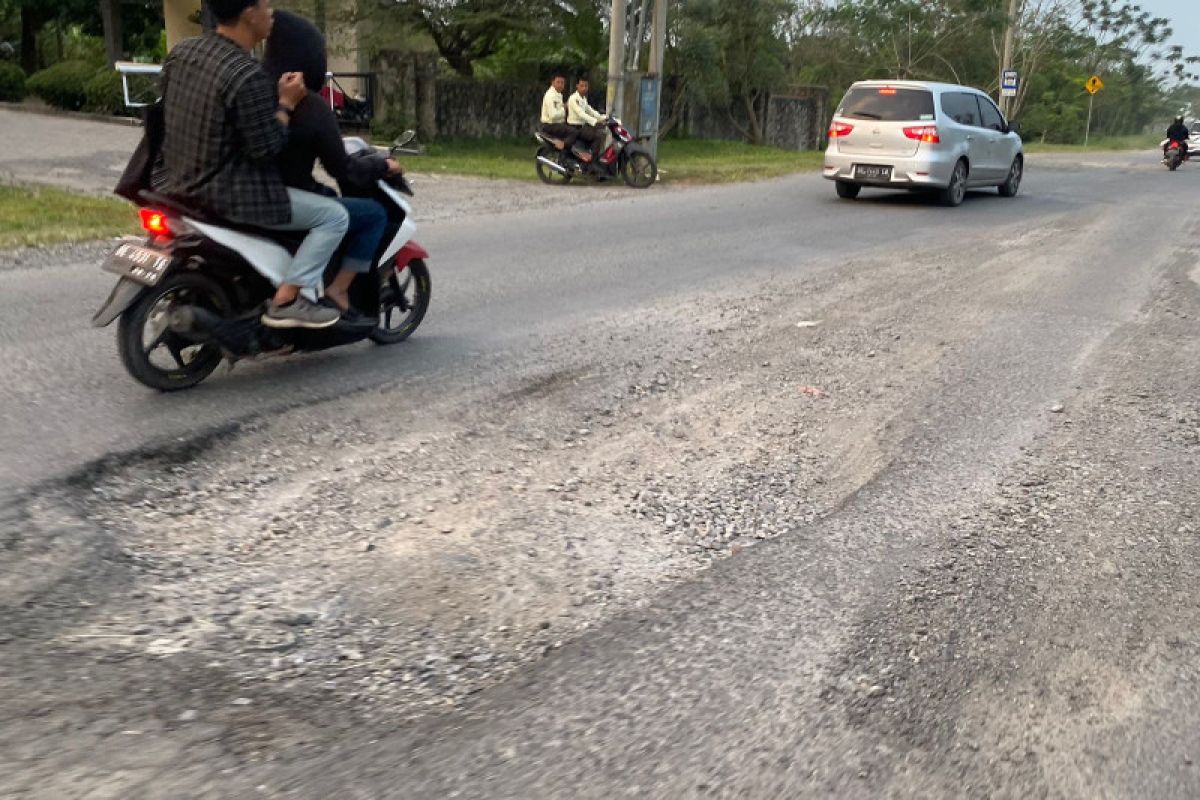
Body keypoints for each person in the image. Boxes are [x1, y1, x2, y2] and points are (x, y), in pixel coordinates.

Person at [154, 0, 347, 330]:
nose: (271, 12)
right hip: (228, 195)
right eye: (266, 5)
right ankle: (287, 299)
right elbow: (267, 148)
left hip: (172, 180)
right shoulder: (247, 76)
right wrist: (286, 104)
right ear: (249, 14)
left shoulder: (184, 52)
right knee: (334, 216)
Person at [262, 10, 403, 320]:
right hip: (284, 199)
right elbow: (344, 169)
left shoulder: (257, 92)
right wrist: (383, 166)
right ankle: (338, 289)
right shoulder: (310, 106)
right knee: (374, 214)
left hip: (249, 194)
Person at [567, 77, 607, 159]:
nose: (584, 88)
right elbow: (581, 114)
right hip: (575, 128)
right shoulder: (573, 98)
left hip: (582, 127)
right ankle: (592, 160)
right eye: (582, 86)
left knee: (599, 130)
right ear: (577, 86)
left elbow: (590, 110)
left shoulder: (583, 98)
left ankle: (588, 154)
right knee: (597, 136)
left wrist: (603, 117)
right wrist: (595, 121)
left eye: (586, 86)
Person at [539, 73, 578, 150]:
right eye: (558, 82)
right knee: (574, 132)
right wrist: (564, 108)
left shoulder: (558, 94)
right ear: (552, 82)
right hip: (550, 125)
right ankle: (562, 148)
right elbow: (553, 116)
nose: (560, 85)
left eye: (562, 83)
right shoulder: (550, 95)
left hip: (557, 124)